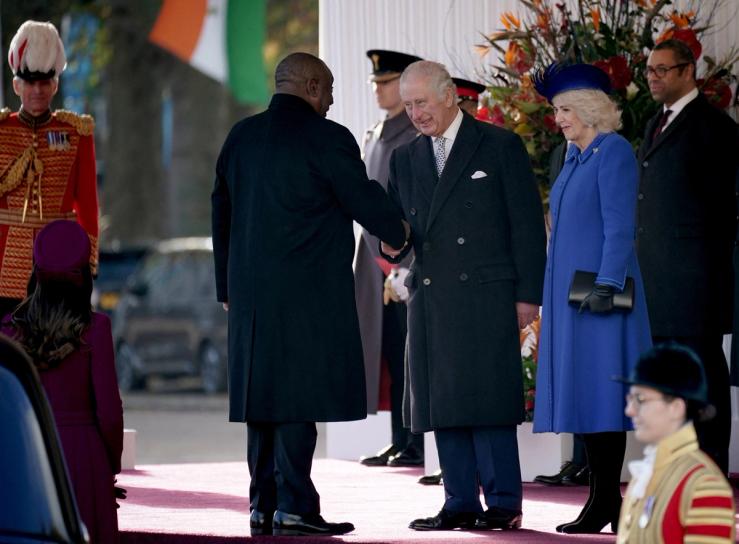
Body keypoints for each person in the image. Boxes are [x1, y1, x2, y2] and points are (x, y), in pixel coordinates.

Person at [211, 52, 408, 537]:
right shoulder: (328, 138)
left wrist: (226, 287)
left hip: (251, 300)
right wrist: (399, 232)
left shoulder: (241, 137)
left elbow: (221, 212)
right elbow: (360, 197)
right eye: (332, 89)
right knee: (297, 400)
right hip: (308, 298)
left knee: (263, 401)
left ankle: (262, 504)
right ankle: (296, 506)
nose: (334, 99)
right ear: (313, 86)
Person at [381, 60, 546, 531]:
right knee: (444, 400)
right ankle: (458, 502)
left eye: (422, 103)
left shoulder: (498, 145)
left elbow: (527, 228)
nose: (414, 114)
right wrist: (390, 244)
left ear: (450, 95)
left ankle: (502, 502)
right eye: (408, 105)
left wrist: (527, 296)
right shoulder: (405, 157)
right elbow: (398, 229)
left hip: (487, 294)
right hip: (432, 295)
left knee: (488, 400)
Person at [531, 63, 652, 534]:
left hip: (600, 294)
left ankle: (606, 501)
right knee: (587, 393)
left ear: (588, 108)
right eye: (555, 110)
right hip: (571, 295)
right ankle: (600, 500)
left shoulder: (613, 152)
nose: (557, 118)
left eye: (564, 109)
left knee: (602, 397)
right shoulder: (573, 154)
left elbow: (620, 227)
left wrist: (604, 285)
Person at [637, 39, 738, 474]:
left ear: (687, 71)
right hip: (657, 277)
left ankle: (709, 464)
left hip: (695, 279)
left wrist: (706, 271)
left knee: (702, 372)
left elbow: (723, 210)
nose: (653, 77)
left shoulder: (714, 126)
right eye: (649, 70)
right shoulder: (653, 122)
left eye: (662, 69)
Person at [1, 219, 123, 543]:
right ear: (83, 276)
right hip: (85, 460)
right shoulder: (96, 328)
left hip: (26, 460)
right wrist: (109, 467)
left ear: (35, 274)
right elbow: (109, 414)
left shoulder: (8, 330)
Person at [0, 20, 99, 316]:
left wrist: (88, 264)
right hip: (4, 266)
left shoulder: (77, 133)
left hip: (59, 264)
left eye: (45, 82)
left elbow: (88, 207)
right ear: (17, 85)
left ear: (55, 84)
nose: (38, 91)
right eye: (31, 82)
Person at [355, 49, 424, 469]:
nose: (379, 89)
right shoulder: (373, 133)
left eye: (387, 82)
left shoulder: (414, 135)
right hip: (371, 259)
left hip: (402, 259)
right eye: (377, 83)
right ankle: (397, 437)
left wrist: (402, 261)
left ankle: (414, 439)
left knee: (406, 351)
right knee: (384, 354)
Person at [616, 343, 736, 543]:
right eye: (630, 399)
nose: (630, 410)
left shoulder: (703, 485)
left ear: (676, 408)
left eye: (641, 399)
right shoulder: (643, 474)